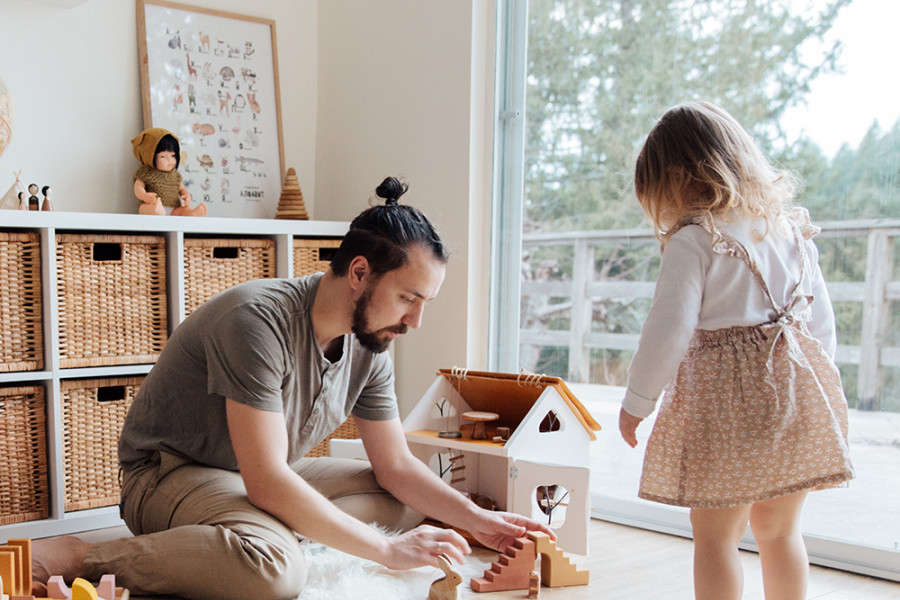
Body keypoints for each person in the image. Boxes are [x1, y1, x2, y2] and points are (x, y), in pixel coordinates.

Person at [32, 177, 553, 600]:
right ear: (359, 272)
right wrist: (386, 552)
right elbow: (266, 482)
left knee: (401, 503)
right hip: (170, 473)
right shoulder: (256, 321)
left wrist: (480, 520)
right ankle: (86, 555)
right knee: (278, 571)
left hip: (259, 472)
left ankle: (254, 537)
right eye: (407, 299)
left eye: (424, 304)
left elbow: (395, 467)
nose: (415, 320)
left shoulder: (369, 344)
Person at [617, 102, 854, 600]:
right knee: (781, 531)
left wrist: (637, 403)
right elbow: (820, 327)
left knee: (716, 538)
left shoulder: (695, 239)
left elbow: (667, 331)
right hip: (795, 398)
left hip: (726, 413)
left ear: (678, 179)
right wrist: (822, 390)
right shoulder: (790, 230)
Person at [132, 127, 207, 216]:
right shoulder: (145, 173)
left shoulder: (175, 176)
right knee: (143, 208)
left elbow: (182, 189)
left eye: (173, 156)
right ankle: (157, 210)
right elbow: (138, 188)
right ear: (149, 157)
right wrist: (144, 196)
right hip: (152, 204)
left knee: (183, 211)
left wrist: (186, 196)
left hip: (173, 209)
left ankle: (192, 214)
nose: (169, 160)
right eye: (163, 157)